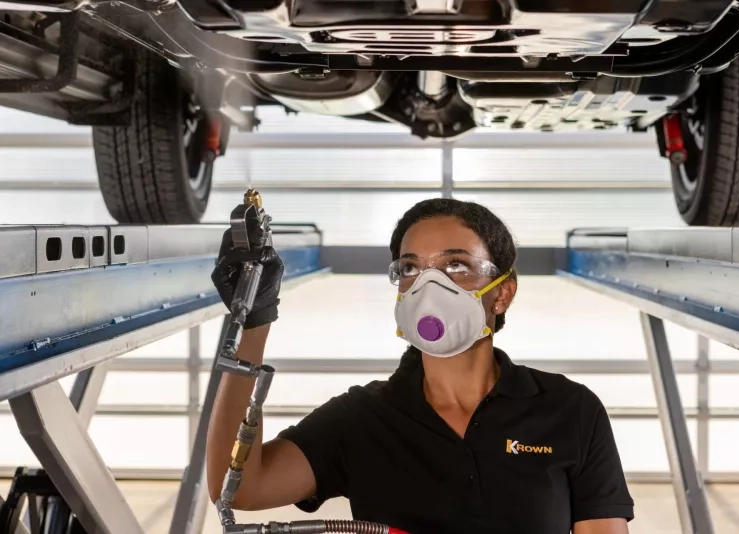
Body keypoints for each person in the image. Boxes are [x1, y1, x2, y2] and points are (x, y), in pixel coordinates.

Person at [207, 198, 634, 534]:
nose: (431, 286)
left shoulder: (569, 410)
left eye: (456, 266)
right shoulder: (361, 419)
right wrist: (254, 323)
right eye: (411, 268)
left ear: (501, 295)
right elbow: (238, 487)